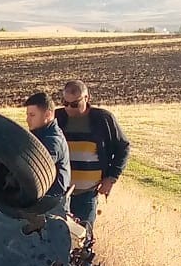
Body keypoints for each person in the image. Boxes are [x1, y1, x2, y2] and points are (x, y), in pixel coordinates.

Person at [56, 79, 130, 233]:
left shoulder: (103, 119)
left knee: (82, 241)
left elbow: (123, 147)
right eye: (65, 103)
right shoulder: (56, 118)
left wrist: (111, 178)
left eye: (74, 104)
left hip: (86, 195)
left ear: (87, 98)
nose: (69, 108)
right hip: (58, 195)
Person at [23, 91, 71, 209]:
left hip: (51, 209)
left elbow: (31, 170)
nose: (27, 120)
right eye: (28, 115)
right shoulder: (40, 136)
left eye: (32, 115)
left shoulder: (52, 141)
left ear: (48, 115)